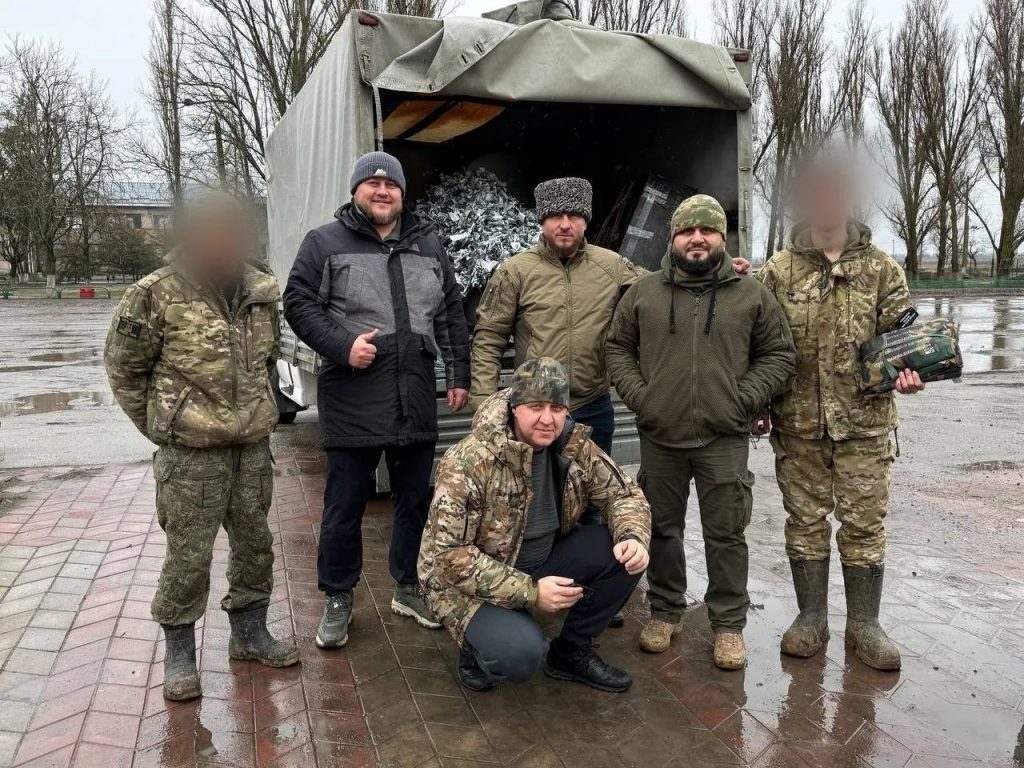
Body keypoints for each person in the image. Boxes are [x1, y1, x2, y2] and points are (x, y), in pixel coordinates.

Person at [105, 192, 298, 701]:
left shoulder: (261, 290)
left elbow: (267, 360)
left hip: (251, 448)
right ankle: (179, 654)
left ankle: (250, 633)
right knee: (188, 556)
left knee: (255, 546)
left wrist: (256, 412)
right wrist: (165, 425)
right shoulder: (155, 293)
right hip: (191, 455)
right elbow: (124, 369)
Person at [283, 151, 470, 649]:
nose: (382, 191)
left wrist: (458, 372)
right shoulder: (325, 242)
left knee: (415, 500)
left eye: (392, 185)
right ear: (355, 191)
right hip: (354, 393)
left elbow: (450, 312)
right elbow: (297, 302)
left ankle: (408, 586)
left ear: (402, 193)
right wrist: (342, 345)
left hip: (414, 391)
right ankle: (338, 596)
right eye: (372, 183)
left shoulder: (429, 244)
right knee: (345, 505)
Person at [606, 194, 796, 670]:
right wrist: (644, 399)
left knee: (726, 534)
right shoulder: (643, 293)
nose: (697, 238)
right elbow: (617, 349)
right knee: (662, 530)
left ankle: (728, 625)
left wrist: (741, 398)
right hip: (661, 436)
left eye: (707, 231)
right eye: (687, 231)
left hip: (723, 439)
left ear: (721, 238)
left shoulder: (752, 295)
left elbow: (779, 355)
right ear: (672, 238)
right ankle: (665, 612)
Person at [758, 158, 924, 671]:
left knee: (864, 525)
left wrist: (911, 371)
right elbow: (760, 344)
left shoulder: (881, 269)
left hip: (864, 425)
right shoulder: (777, 271)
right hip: (799, 425)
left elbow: (903, 338)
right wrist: (759, 403)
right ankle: (811, 617)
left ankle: (865, 624)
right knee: (805, 522)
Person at [418, 358, 652, 693]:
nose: (547, 418)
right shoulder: (468, 460)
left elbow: (624, 494)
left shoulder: (573, 445)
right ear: (515, 408)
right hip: (465, 583)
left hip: (542, 560)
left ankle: (570, 653)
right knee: (522, 655)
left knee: (624, 553)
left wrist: (632, 536)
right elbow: (450, 556)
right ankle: (474, 648)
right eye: (535, 407)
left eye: (557, 408)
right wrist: (531, 593)